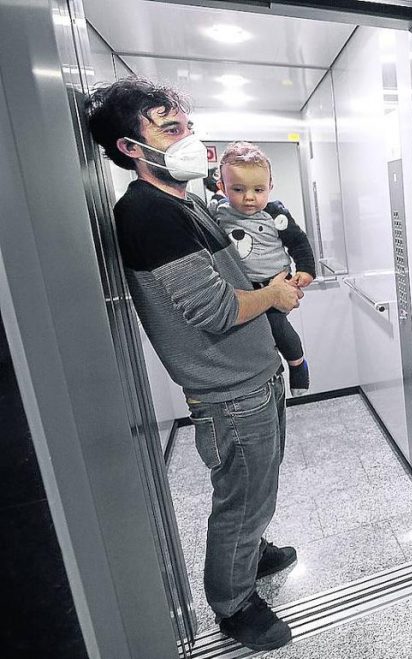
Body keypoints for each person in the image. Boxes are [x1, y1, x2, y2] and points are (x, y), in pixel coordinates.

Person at [84, 76, 299, 652]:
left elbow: (230, 278)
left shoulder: (190, 202)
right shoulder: (147, 212)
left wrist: (277, 281)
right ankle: (233, 604)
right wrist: (274, 297)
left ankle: (251, 555)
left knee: (259, 489)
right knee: (242, 499)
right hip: (229, 392)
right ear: (131, 148)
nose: (189, 140)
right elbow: (213, 310)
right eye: (171, 128)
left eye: (189, 126)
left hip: (254, 376)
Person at [215, 141, 316, 396]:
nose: (249, 197)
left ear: (270, 187)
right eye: (238, 189)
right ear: (222, 187)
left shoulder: (275, 213)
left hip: (275, 280)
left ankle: (297, 364)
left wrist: (305, 270)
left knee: (277, 327)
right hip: (240, 287)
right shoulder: (218, 212)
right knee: (248, 332)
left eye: (258, 189)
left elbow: (298, 241)